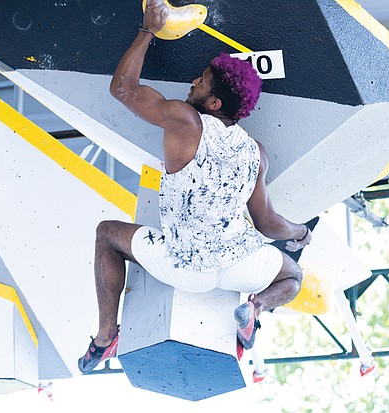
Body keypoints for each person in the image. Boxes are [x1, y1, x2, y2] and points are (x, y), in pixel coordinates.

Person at [78, 0, 315, 374]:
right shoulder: (257, 153)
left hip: (184, 265)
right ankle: (254, 308)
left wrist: (147, 30)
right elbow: (268, 224)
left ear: (214, 102)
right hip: (238, 263)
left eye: (200, 81)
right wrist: (300, 232)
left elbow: (123, 90)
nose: (192, 83)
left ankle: (106, 337)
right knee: (293, 276)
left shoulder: (186, 121)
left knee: (107, 234)